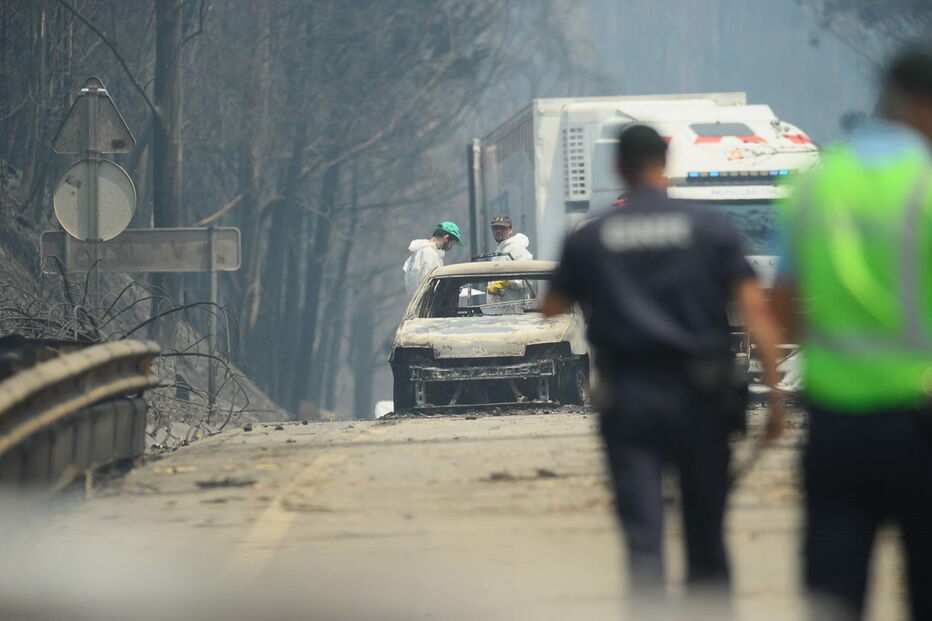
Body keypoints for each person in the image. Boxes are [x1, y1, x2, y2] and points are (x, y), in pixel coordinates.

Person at [542, 124, 785, 612]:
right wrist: (776, 394)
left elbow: (552, 306)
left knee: (643, 533)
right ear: (666, 159)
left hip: (630, 398)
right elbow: (754, 308)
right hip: (702, 397)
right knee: (705, 530)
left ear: (618, 168)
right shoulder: (709, 228)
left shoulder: (592, 236)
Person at [773, 46, 932, 621]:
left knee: (834, 594)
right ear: (922, 107)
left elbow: (783, 307)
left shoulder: (816, 185)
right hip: (920, 418)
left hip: (836, 425)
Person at [403, 221, 461, 297]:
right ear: (446, 238)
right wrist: (451, 289)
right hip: (425, 302)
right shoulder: (429, 254)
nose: (451, 247)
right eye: (452, 244)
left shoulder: (419, 251)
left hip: (417, 301)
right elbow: (431, 283)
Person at [487, 215, 534, 304]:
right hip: (498, 309)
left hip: (516, 308)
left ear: (510, 230)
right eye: (495, 228)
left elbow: (529, 276)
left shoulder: (516, 248)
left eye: (502, 228)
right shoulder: (498, 252)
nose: (498, 231)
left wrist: (508, 282)